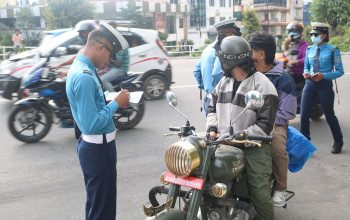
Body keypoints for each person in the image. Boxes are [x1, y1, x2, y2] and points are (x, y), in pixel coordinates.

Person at [207, 36, 278, 220]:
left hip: (253, 147)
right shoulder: (224, 83)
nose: (219, 61)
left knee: (259, 193)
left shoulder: (263, 85)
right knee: (204, 179)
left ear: (229, 60)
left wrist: (241, 136)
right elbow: (212, 108)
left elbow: (265, 126)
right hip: (223, 144)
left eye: (221, 58)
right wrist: (212, 129)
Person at [66, 22, 129, 219]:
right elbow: (91, 124)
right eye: (109, 55)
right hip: (98, 150)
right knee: (102, 209)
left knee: (98, 204)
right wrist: (116, 104)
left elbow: (92, 102)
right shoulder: (84, 75)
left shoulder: (84, 66)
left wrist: (108, 99)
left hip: (98, 148)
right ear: (100, 47)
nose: (109, 61)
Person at [246, 32, 297, 207]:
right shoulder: (246, 74)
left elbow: (288, 112)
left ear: (261, 54)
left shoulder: (283, 79)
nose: (246, 54)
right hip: (247, 122)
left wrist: (264, 121)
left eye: (249, 50)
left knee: (276, 149)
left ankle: (280, 189)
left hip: (275, 125)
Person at [301, 22, 344, 154]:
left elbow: (340, 71)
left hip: (324, 86)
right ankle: (305, 144)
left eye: (316, 34)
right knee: (304, 115)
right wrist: (306, 73)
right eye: (312, 34)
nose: (313, 36)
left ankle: (338, 140)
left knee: (329, 115)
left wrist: (323, 75)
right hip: (310, 85)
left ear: (324, 35)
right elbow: (306, 66)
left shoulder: (333, 50)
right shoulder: (310, 50)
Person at [193, 18, 241, 115]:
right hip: (219, 100)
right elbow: (217, 73)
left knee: (212, 128)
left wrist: (207, 87)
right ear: (229, 34)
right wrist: (218, 92)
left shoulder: (208, 48)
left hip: (208, 98)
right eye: (235, 33)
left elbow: (197, 71)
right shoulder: (223, 48)